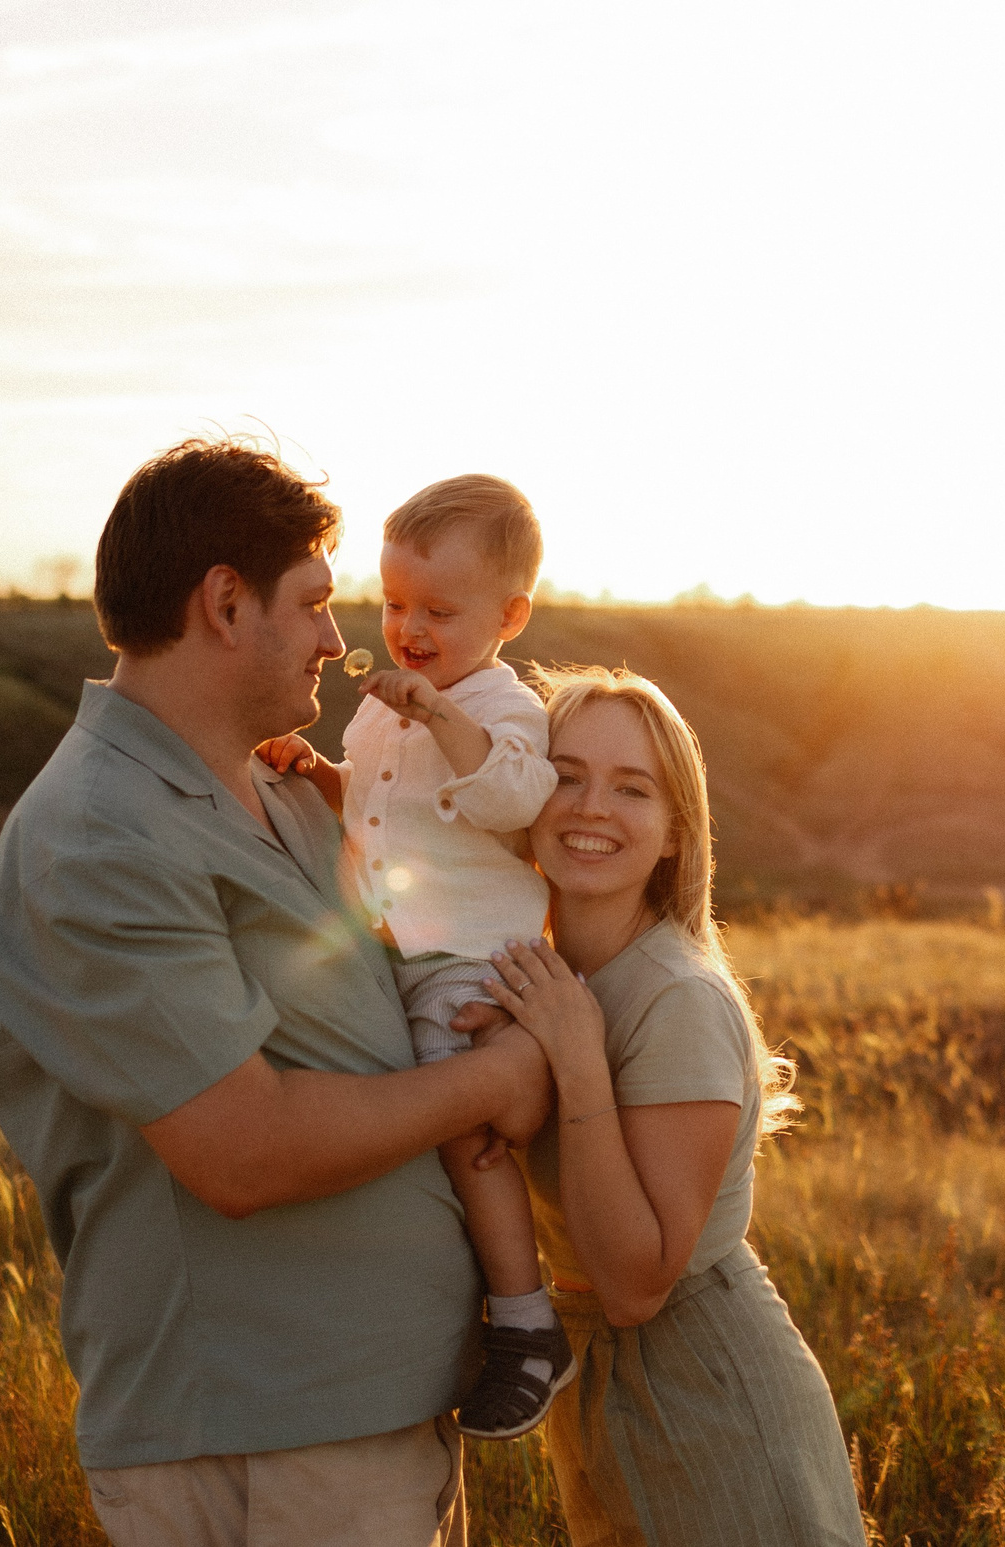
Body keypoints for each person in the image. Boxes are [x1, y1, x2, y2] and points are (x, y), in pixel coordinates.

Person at [0, 437, 554, 1547]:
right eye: (320, 606)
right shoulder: (99, 835)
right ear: (227, 605)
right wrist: (504, 1073)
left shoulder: (279, 794)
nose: (344, 641)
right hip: (259, 1433)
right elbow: (243, 1151)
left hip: (361, 1413)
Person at [477, 667, 868, 1547]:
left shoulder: (674, 998)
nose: (590, 806)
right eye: (565, 773)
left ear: (672, 835)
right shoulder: (545, 976)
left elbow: (637, 1281)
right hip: (602, 1382)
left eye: (632, 788)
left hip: (703, 1384)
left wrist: (578, 1062)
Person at [256, 474, 575, 1439]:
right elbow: (378, 806)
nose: (411, 628)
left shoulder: (499, 703)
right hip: (400, 952)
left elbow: (515, 797)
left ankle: (527, 1323)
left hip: (477, 961)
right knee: (402, 1117)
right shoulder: (380, 710)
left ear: (509, 615)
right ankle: (447, 1290)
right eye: (395, 604)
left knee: (462, 1124)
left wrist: (439, 712)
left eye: (441, 609)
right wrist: (320, 772)